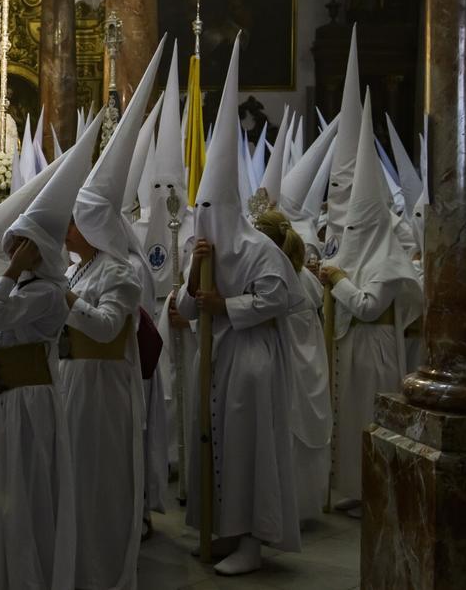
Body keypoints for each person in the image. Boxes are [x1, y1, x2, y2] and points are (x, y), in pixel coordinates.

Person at [175, 35, 301, 576]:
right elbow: (184, 311)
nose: (203, 214)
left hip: (250, 361)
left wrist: (226, 305)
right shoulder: (202, 248)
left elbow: (284, 296)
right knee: (213, 443)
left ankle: (254, 538)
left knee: (249, 448)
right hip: (215, 359)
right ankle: (223, 529)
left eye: (210, 206)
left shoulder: (256, 248)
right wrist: (192, 279)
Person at [65, 40, 163, 589]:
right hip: (78, 385)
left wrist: (63, 300)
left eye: (76, 223)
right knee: (80, 481)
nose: (68, 232)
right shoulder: (83, 268)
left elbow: (105, 326)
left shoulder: (120, 272)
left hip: (105, 390)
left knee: (103, 482)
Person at [0, 138, 81, 589]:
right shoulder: (25, 290)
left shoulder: (46, 293)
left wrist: (6, 275)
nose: (12, 253)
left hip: (32, 401)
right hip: (14, 399)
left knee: (29, 492)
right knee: (12, 492)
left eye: (19, 248)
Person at [321, 90, 422, 518]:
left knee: (369, 419)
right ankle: (353, 488)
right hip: (350, 348)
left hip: (374, 349)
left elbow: (366, 305)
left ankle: (375, 490)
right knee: (348, 421)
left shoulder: (387, 260)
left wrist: (338, 280)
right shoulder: (355, 250)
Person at [254, 208, 332, 523]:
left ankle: (288, 508)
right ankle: (304, 505)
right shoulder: (304, 277)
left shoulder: (277, 277)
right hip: (311, 363)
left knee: (288, 431)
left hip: (289, 362)